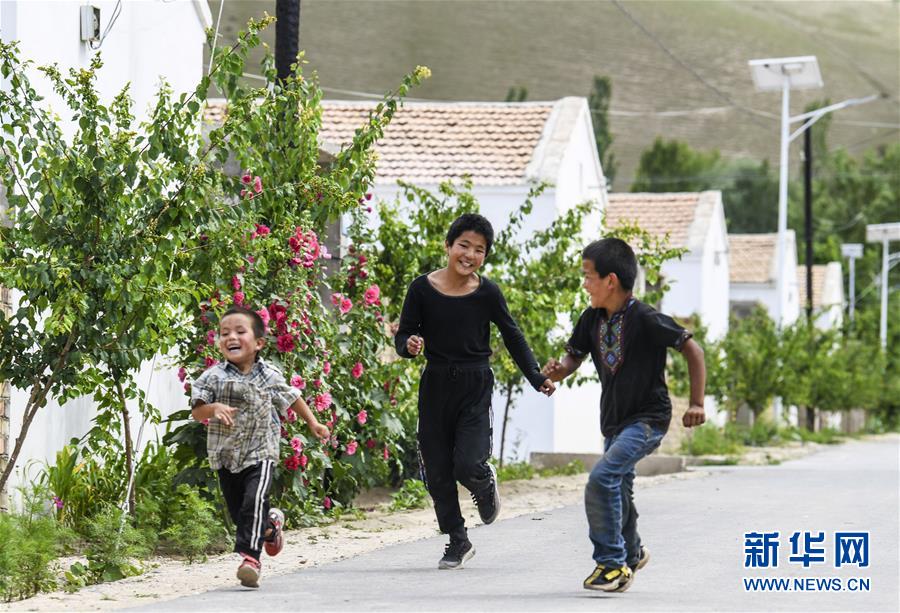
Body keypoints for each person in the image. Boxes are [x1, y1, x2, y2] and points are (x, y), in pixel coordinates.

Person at [542, 237, 706, 593]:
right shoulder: (591, 319)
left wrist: (696, 403)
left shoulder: (645, 318)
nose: (585, 284)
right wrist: (558, 371)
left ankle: (612, 565)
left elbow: (692, 349)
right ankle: (632, 553)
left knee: (602, 479)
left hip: (648, 420)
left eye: (588, 276)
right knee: (620, 488)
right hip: (614, 421)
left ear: (610, 280)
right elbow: (574, 356)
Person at [394, 213, 556, 570]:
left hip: (475, 384)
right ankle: (458, 539)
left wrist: (535, 376)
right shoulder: (421, 289)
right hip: (435, 385)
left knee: (467, 463)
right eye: (463, 245)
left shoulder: (487, 293)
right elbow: (403, 334)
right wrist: (409, 345)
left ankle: (482, 484)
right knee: (436, 469)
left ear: (485, 256)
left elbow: (512, 335)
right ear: (448, 246)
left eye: (479, 250)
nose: (469, 255)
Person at [191, 305, 330, 588]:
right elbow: (197, 411)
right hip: (226, 454)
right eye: (224, 333)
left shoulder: (269, 375)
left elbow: (292, 397)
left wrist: (313, 423)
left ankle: (250, 560)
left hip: (261, 451)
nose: (231, 337)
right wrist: (213, 408)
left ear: (259, 343)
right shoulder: (213, 376)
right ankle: (270, 528)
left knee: (253, 500)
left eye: (240, 331)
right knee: (239, 512)